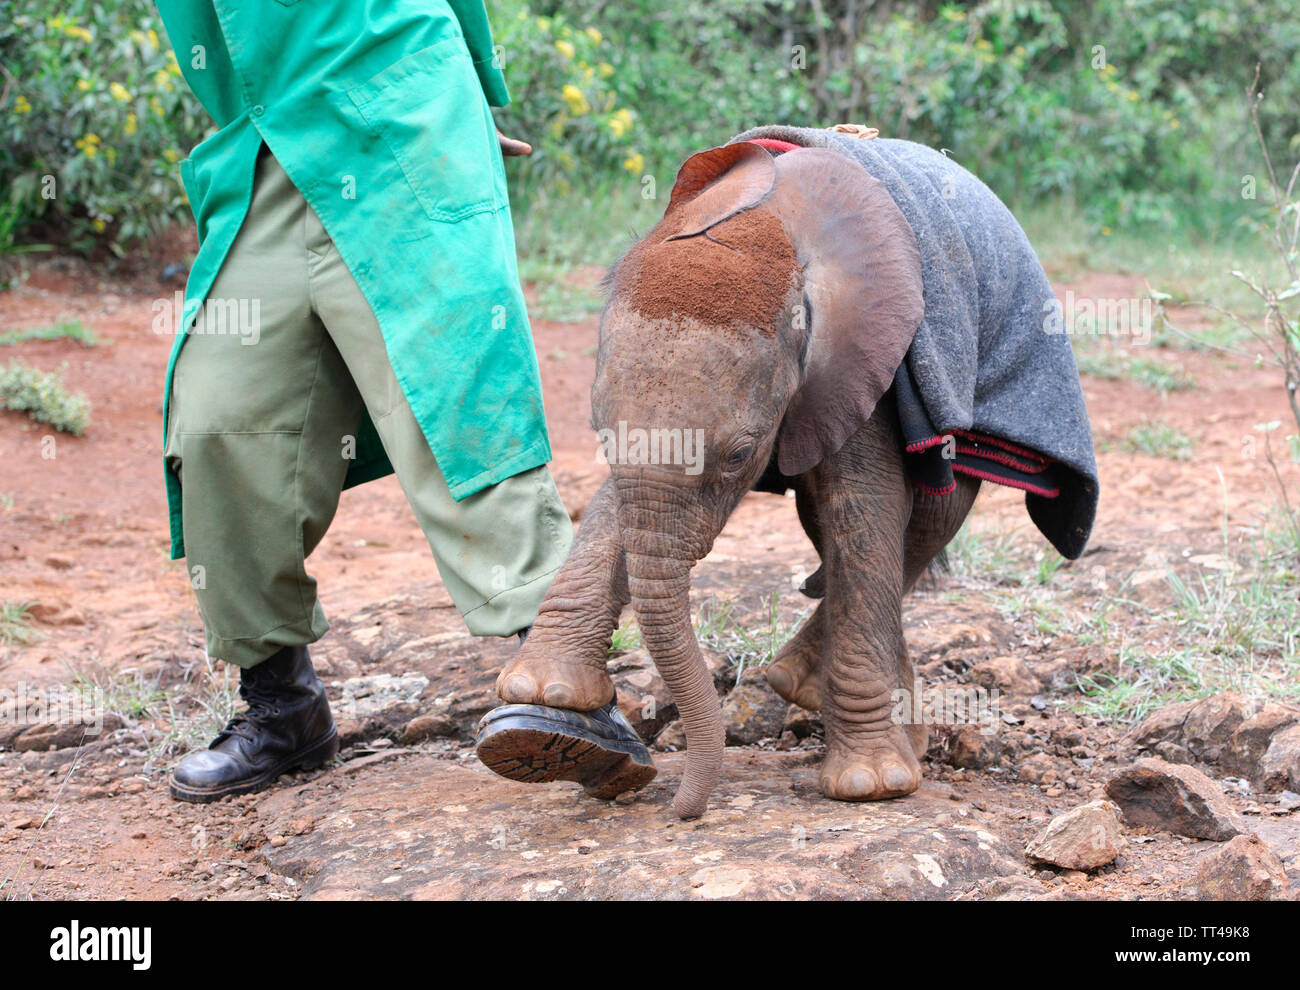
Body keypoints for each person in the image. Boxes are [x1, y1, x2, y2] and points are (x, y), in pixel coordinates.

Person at [155, 0, 573, 802]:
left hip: (399, 116)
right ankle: (282, 709)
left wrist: (465, 97)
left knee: (450, 387)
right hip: (263, 146)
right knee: (216, 421)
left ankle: (568, 675)